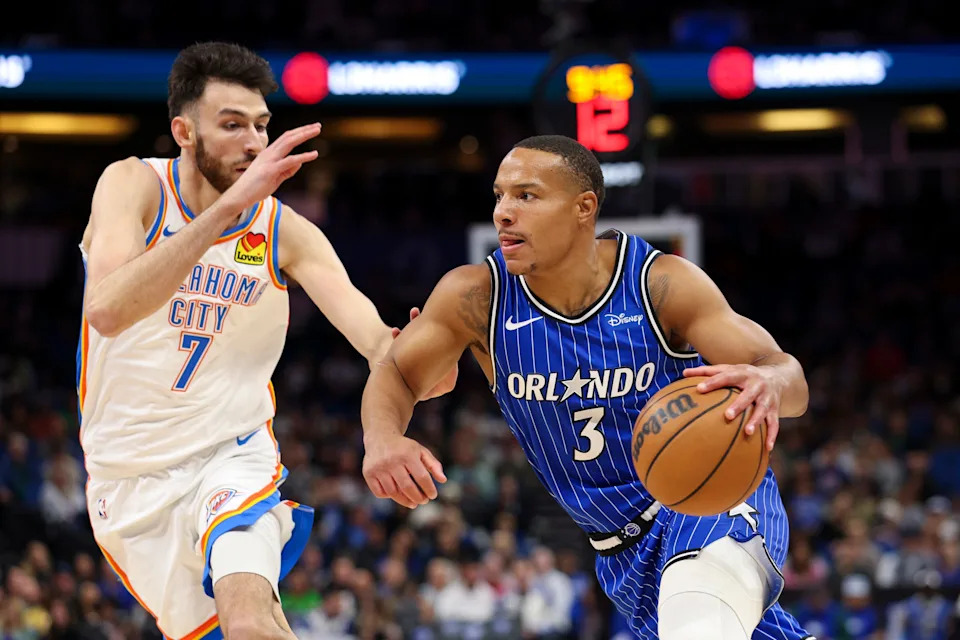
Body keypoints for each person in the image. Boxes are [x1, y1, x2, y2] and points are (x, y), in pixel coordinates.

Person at [361, 135, 813, 639]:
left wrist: (770, 382)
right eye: (499, 196)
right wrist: (382, 439)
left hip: (710, 503)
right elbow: (397, 373)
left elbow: (787, 376)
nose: (504, 213)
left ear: (584, 207)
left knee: (698, 626)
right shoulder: (476, 298)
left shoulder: (660, 284)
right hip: (620, 553)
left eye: (526, 196)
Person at [78, 42, 454, 640]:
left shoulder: (285, 231)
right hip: (127, 473)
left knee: (248, 619)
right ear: (183, 131)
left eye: (261, 126)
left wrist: (425, 360)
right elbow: (106, 308)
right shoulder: (133, 184)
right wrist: (229, 209)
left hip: (233, 454)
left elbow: (379, 346)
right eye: (231, 125)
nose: (254, 143)